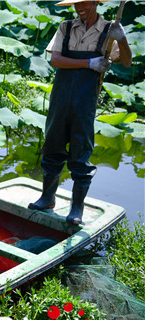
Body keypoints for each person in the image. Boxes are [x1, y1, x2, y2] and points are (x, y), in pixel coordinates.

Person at [28, 0, 132, 225]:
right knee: (52, 145)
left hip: (85, 101)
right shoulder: (65, 27)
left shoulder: (108, 31)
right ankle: (47, 198)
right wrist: (89, 63)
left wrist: (121, 39)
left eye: (84, 3)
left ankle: (77, 208)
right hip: (60, 97)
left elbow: (126, 61)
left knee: (81, 150)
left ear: (96, 2)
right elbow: (55, 60)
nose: (79, 8)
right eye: (76, 4)